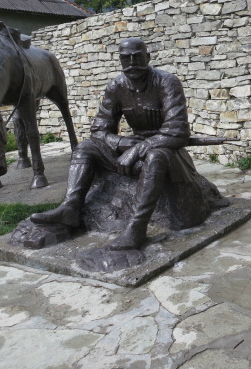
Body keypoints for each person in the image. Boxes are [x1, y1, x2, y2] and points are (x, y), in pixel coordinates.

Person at [30, 37, 194, 250]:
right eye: (126, 58)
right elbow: (99, 130)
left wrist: (136, 150)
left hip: (166, 152)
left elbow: (177, 131)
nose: (132, 63)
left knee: (155, 156)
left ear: (148, 57)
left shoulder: (167, 82)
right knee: (85, 147)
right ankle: (70, 207)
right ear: (120, 60)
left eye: (137, 57)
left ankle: (136, 229)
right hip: (130, 147)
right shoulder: (116, 86)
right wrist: (122, 143)